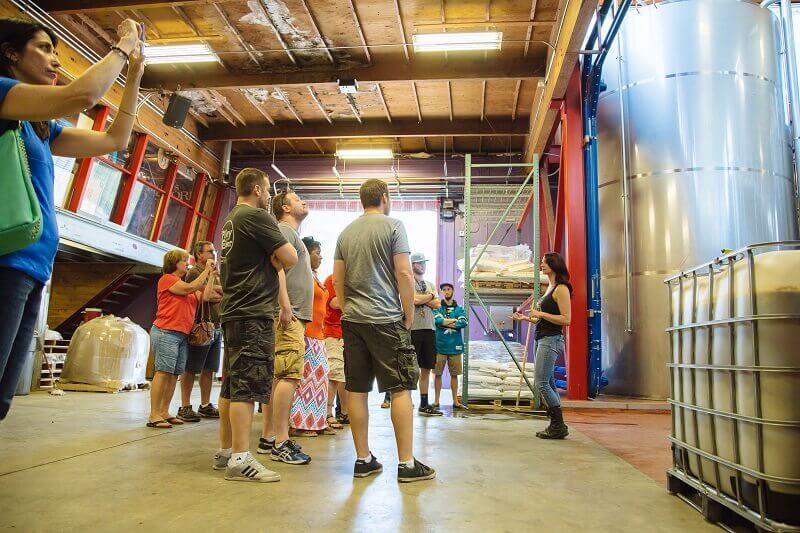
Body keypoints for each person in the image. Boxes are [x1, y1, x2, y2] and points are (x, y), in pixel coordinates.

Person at [0, 17, 145, 420]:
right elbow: (82, 95)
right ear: (11, 53)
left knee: (2, 398)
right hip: (6, 259)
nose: (55, 60)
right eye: (44, 48)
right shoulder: (2, 95)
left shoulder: (40, 126)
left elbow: (114, 139)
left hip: (32, 267)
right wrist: (122, 45)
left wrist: (134, 74)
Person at [334, 178, 435, 483]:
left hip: (353, 321)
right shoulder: (394, 226)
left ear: (361, 200)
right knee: (400, 388)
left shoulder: (345, 232)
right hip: (387, 319)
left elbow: (338, 279)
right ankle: (406, 464)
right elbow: (404, 272)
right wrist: (408, 314)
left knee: (357, 390)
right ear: (385, 198)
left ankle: (363, 459)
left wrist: (348, 309)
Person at [215, 168, 298, 482]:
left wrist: (272, 259)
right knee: (246, 389)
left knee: (232, 385)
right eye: (267, 188)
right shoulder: (256, 216)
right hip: (253, 312)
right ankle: (240, 459)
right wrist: (275, 260)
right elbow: (290, 257)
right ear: (257, 189)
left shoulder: (231, 219)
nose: (270, 194)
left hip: (234, 310)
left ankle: (226, 451)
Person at [257, 190, 312, 465]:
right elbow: (276, 267)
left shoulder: (291, 234)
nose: (303, 201)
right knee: (288, 376)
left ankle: (270, 436)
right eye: (297, 198)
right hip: (289, 316)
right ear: (286, 207)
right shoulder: (284, 231)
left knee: (280, 376)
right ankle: (281, 441)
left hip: (291, 315)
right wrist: (285, 305)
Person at [148, 249, 217, 428]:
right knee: (163, 372)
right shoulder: (167, 279)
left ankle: (164, 411)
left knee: (174, 374)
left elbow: (206, 296)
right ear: (173, 263)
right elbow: (190, 288)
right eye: (184, 261)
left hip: (182, 335)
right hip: (166, 331)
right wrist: (205, 270)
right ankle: (154, 414)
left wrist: (210, 275)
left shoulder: (184, 284)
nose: (187, 264)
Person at [511, 252, 572, 440]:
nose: (541, 265)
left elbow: (566, 319)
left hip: (551, 339)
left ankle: (558, 425)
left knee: (541, 383)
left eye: (544, 263)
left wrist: (541, 314)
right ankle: (556, 424)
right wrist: (525, 318)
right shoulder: (550, 288)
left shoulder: (561, 289)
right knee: (549, 382)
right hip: (541, 337)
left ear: (554, 265)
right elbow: (540, 319)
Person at [289, 236, 332, 436]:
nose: (321, 257)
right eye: (317, 253)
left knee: (319, 377)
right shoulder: (300, 273)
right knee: (304, 379)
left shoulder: (314, 276)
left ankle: (316, 421)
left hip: (318, 335)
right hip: (306, 332)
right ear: (306, 253)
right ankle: (299, 423)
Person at [178, 241, 223, 422]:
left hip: (216, 326)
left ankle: (205, 405)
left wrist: (215, 290)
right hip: (200, 326)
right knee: (191, 368)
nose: (214, 253)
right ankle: (185, 405)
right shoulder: (195, 273)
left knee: (209, 368)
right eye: (210, 251)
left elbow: (224, 293)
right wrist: (214, 292)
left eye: (214, 250)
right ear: (199, 254)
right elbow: (205, 296)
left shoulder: (215, 273)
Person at [409, 252, 442, 416]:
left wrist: (425, 299)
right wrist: (430, 296)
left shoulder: (430, 284)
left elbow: (437, 304)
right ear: (412, 264)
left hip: (429, 329)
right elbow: (413, 300)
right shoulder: (408, 282)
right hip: (413, 329)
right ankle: (407, 401)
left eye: (424, 262)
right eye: (419, 262)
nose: (423, 265)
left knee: (427, 368)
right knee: (411, 368)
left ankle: (424, 403)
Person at [433, 283, 468, 410]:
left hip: (455, 347)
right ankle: (436, 401)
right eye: (444, 290)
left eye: (449, 289)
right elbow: (437, 321)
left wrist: (445, 323)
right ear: (442, 292)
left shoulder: (459, 309)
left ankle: (455, 401)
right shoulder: (437, 308)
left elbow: (464, 322)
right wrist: (454, 321)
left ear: (453, 291)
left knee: (455, 375)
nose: (446, 292)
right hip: (440, 346)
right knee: (437, 374)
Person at [323, 273, 348, 428]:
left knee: (342, 375)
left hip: (345, 333)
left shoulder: (348, 279)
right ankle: (327, 414)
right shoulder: (333, 279)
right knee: (334, 374)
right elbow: (335, 303)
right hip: (332, 333)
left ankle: (344, 412)